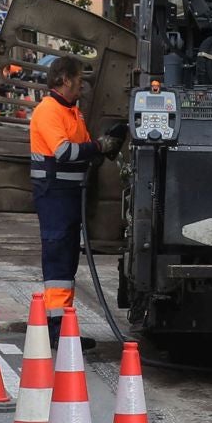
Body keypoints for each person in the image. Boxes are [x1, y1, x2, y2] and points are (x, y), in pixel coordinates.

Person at [28, 55, 124, 347]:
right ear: (65, 79)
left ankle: (63, 328)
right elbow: (65, 152)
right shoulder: (48, 111)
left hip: (68, 198)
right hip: (55, 196)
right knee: (58, 261)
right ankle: (56, 330)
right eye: (79, 79)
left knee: (67, 262)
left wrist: (102, 146)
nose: (83, 85)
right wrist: (97, 146)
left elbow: (84, 150)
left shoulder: (72, 113)